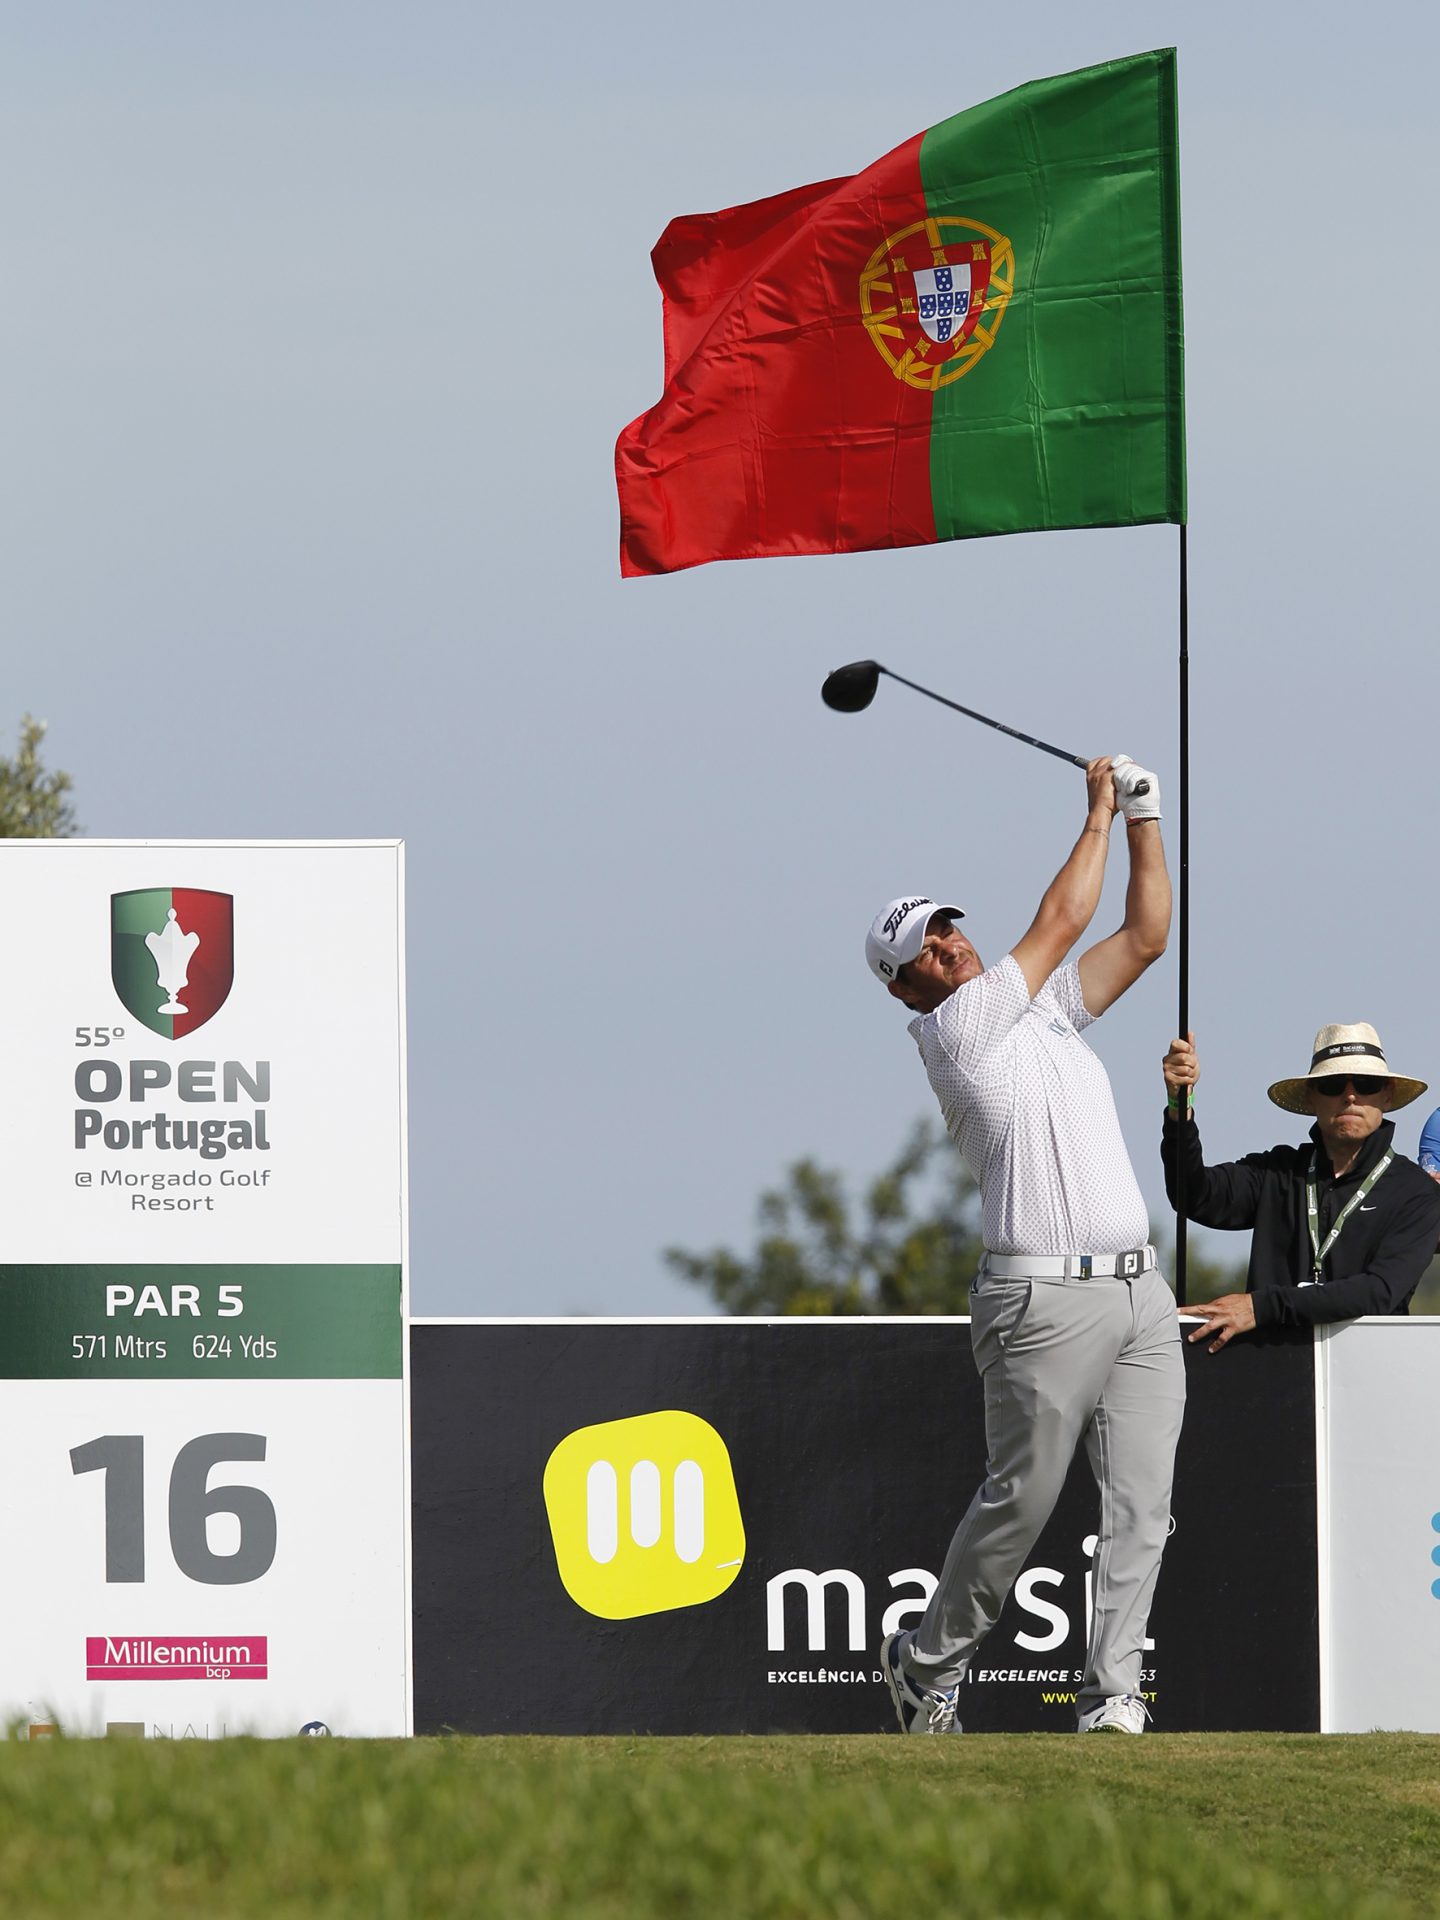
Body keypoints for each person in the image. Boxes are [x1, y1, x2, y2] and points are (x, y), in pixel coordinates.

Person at [868, 753, 1183, 1739]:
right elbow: (1061, 924)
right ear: (906, 986)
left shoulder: (1041, 1010)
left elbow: (1144, 935)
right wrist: (1093, 809)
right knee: (1023, 1502)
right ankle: (928, 1664)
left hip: (1140, 1294)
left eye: (949, 926)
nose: (951, 945)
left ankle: (1114, 1696)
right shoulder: (958, 1034)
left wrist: (1143, 817)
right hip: (1038, 1304)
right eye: (928, 946)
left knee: (1142, 1508)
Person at [1161, 1025, 1440, 1352]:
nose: (1350, 1096)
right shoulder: (1276, 1171)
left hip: (1371, 1377)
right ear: (1311, 1097)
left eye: (1366, 1084)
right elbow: (1193, 1197)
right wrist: (1180, 1109)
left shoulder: (1417, 1192)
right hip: (1272, 1379)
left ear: (1387, 1095)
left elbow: (1378, 1291)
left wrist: (1261, 1307)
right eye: (1333, 1084)